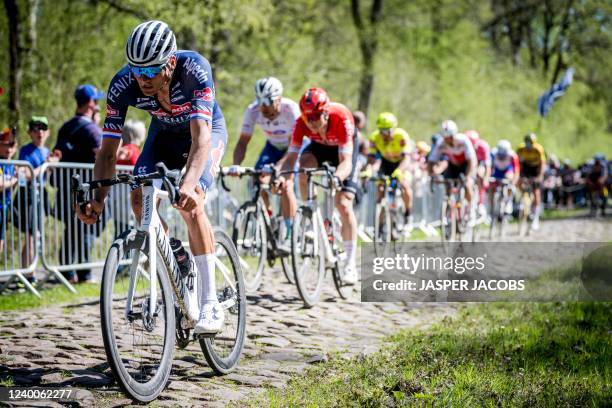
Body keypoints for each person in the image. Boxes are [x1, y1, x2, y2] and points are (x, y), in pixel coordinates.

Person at [76, 20, 227, 334]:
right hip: (163, 135)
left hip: (204, 133)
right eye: (136, 70)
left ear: (170, 64)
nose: (141, 78)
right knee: (138, 197)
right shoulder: (123, 84)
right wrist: (97, 198)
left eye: (150, 71)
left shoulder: (195, 69)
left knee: (191, 202)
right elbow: (107, 152)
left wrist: (188, 182)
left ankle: (210, 301)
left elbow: (201, 141)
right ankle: (176, 255)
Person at [277, 87, 360, 284]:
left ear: (325, 112)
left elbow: (346, 161)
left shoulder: (341, 118)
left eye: (315, 116)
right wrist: (282, 177)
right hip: (320, 148)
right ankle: (309, 210)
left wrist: (338, 178)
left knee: (344, 203)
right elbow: (291, 159)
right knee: (304, 168)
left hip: (342, 150)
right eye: (307, 118)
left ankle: (350, 264)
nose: (312, 122)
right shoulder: (301, 124)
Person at [228, 77, 300, 247]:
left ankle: (291, 232)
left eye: (268, 102)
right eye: (260, 102)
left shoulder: (291, 109)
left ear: (279, 99)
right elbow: (243, 141)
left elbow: (293, 148)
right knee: (259, 181)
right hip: (273, 146)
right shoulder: (252, 110)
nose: (264, 107)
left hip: (293, 147)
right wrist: (236, 164)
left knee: (285, 183)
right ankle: (270, 222)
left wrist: (277, 169)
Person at [53, 84, 105, 283]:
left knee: (70, 228)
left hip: (66, 186)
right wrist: (98, 124)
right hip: (84, 187)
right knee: (85, 227)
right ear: (91, 103)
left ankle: (67, 272)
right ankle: (83, 273)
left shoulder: (65, 127)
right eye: (96, 101)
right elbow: (102, 154)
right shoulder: (91, 129)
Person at [362, 112, 415, 226]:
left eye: (387, 131)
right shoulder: (375, 138)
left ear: (393, 129)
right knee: (380, 191)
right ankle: (380, 226)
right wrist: (368, 170)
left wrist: (400, 170)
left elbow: (407, 158)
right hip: (386, 164)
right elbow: (371, 158)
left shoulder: (401, 136)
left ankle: (408, 214)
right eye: (381, 131)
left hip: (401, 164)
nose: (384, 134)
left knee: (405, 185)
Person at [16, 116, 52, 279]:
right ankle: (28, 273)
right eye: (36, 128)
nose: (40, 132)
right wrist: (44, 167)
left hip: (41, 194)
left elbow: (49, 177)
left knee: (37, 235)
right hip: (28, 195)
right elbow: (23, 174)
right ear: (29, 132)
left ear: (48, 132)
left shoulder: (47, 152)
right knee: (31, 235)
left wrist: (52, 166)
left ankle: (29, 271)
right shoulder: (25, 150)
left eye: (43, 128)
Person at [427, 119, 478, 221]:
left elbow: (471, 161)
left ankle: (471, 208)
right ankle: (449, 211)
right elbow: (431, 160)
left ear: (453, 135)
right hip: (453, 165)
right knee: (448, 186)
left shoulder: (463, 140)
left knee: (467, 184)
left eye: (449, 137)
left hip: (466, 164)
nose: (446, 140)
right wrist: (432, 174)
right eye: (444, 137)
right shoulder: (440, 143)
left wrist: (467, 176)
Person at [516, 133, 546, 229]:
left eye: (531, 142)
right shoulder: (521, 148)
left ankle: (536, 218)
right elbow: (517, 163)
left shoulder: (538, 149)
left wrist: (540, 176)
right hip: (526, 167)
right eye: (527, 142)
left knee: (536, 192)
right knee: (519, 181)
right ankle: (522, 197)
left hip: (536, 169)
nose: (529, 144)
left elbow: (542, 164)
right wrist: (518, 175)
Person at [489, 139, 520, 215]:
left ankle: (508, 201)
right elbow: (488, 167)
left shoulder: (513, 155)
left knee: (509, 180)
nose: (502, 156)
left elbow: (516, 171)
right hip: (497, 171)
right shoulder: (493, 153)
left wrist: (513, 183)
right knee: (491, 187)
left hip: (507, 171)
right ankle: (492, 207)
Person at [465, 130, 491, 218]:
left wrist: (486, 179)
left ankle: (480, 203)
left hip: (480, 163)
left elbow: (487, 165)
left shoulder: (483, 146)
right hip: (469, 162)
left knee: (480, 174)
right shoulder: (464, 145)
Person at [0, 128, 18, 254]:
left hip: (4, 207)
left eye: (11, 145)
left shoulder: (12, 164)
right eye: (5, 145)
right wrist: (16, 179)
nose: (9, 149)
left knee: (1, 239)